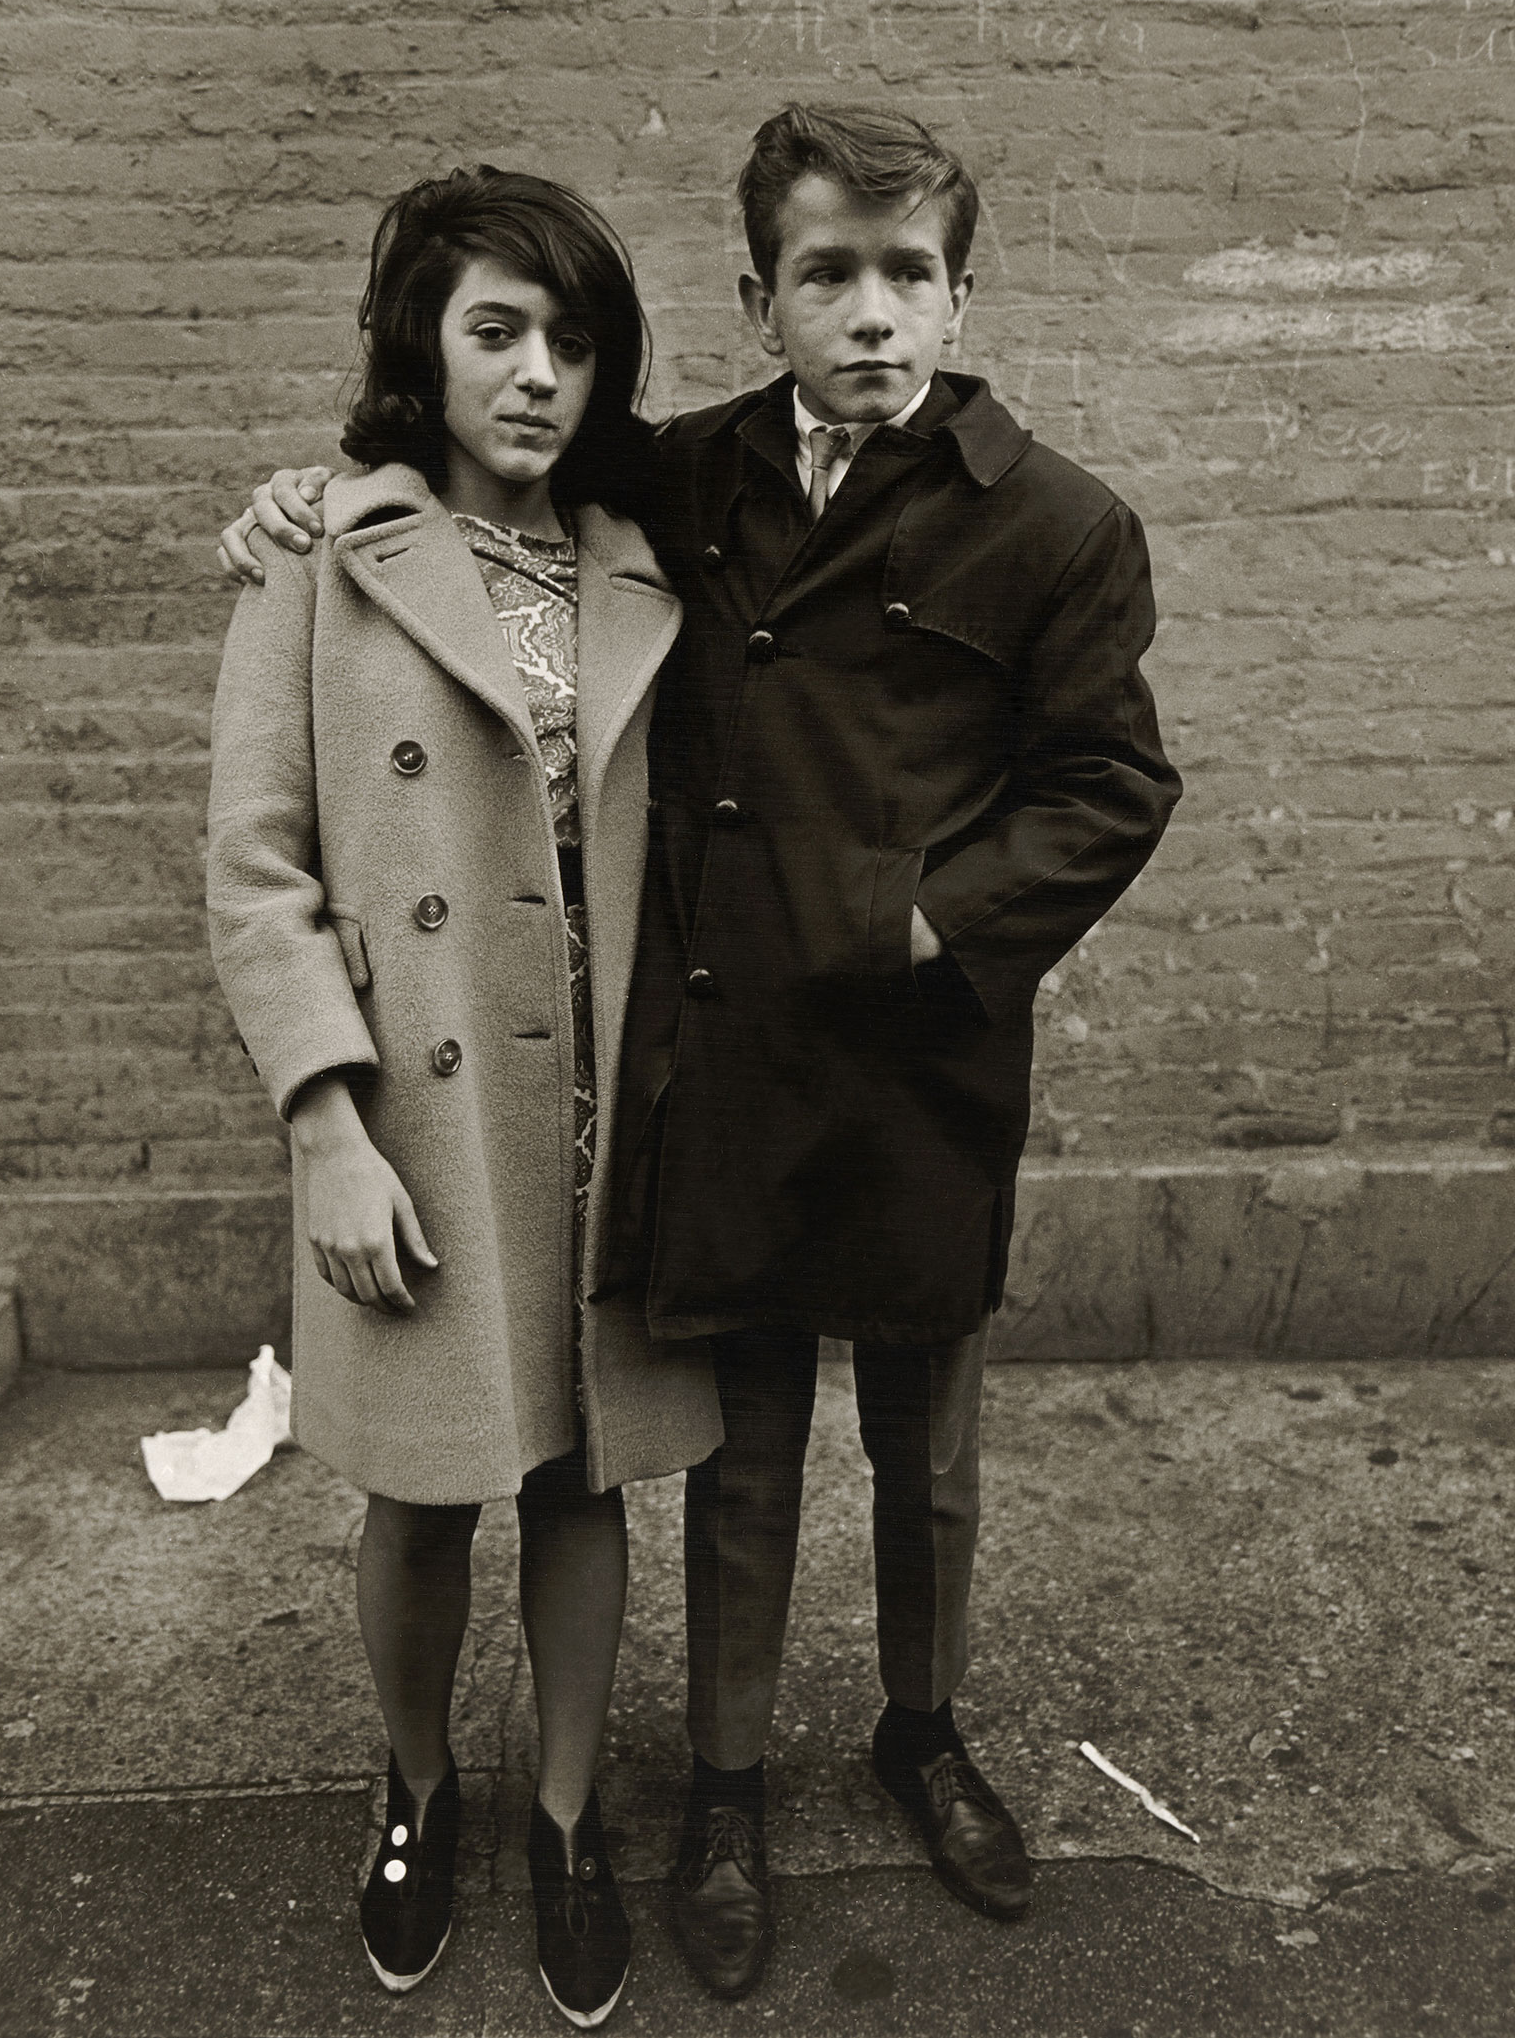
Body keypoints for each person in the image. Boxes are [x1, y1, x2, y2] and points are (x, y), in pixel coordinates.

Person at [219, 103, 1180, 2002]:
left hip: (909, 1062)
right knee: (722, 1459)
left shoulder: (1049, 520)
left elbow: (1112, 781)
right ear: (761, 299)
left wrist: (933, 921)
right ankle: (705, 1787)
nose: (875, 316)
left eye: (912, 275)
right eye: (829, 274)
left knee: (925, 1453)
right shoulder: (684, 480)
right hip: (692, 1069)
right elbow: (427, 561)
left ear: (962, 292)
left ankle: (914, 1732)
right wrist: (304, 495)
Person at [205, 164, 721, 2029]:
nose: (536, 376)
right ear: (419, 342)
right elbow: (256, 868)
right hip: (415, 1119)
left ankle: (568, 1818)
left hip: (607, 1110)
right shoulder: (319, 557)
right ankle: (419, 1788)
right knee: (426, 1493)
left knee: (587, 1482)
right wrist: (324, 1127)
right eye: (496, 330)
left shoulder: (648, 556)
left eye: (573, 342)